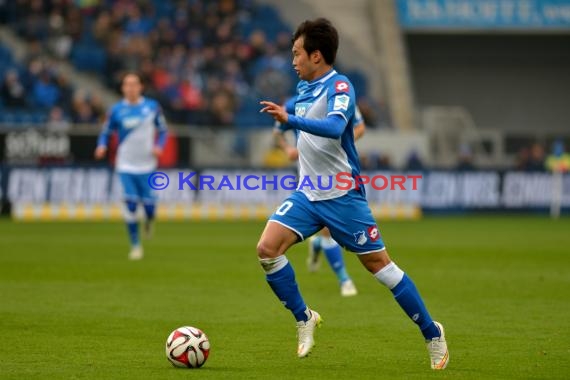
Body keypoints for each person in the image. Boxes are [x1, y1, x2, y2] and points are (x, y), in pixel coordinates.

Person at [258, 18, 449, 369]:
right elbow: (310, 142)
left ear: (317, 55)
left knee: (382, 268)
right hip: (307, 193)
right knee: (267, 250)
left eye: (297, 54)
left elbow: (333, 128)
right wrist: (292, 138)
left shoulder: (340, 86)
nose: (293, 61)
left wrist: (291, 121)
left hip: (343, 196)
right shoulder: (302, 90)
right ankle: (304, 317)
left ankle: (431, 331)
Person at [274, 99, 366, 297]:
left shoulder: (343, 98)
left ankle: (317, 245)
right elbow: (278, 131)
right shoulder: (297, 101)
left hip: (339, 172)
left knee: (331, 229)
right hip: (312, 176)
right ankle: (344, 279)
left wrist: (340, 141)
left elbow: (360, 127)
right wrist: (287, 149)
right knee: (326, 228)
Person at [94, 73, 168, 260]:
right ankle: (135, 245)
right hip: (125, 165)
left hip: (147, 166)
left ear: (140, 87)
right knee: (131, 203)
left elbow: (163, 131)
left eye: (134, 84)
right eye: (127, 84)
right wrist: (101, 146)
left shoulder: (152, 107)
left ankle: (149, 221)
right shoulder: (116, 110)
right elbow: (106, 132)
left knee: (150, 208)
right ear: (123, 88)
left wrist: (159, 146)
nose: (131, 88)